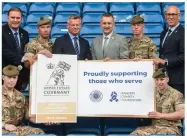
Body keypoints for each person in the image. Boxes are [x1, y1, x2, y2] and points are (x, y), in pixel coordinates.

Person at [131, 68, 184, 136]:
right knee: (136, 133)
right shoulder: (151, 93)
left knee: (160, 135)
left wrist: (161, 115)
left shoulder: (176, 94)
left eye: (162, 79)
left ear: (167, 80)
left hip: (171, 128)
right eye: (157, 80)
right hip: (155, 127)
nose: (159, 82)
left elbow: (182, 114)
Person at [2, 65, 45, 136]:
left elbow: (29, 117)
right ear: (3, 77)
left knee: (39, 132)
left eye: (14, 77)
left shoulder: (21, 96)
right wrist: (4, 126)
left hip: (18, 128)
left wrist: (44, 120)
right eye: (9, 77)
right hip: (3, 129)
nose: (12, 80)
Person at [153, 5, 184, 95]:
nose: (170, 17)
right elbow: (162, 54)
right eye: (168, 14)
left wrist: (165, 61)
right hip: (164, 78)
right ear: (165, 16)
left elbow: (184, 56)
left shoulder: (183, 33)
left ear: (179, 15)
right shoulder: (163, 33)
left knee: (178, 107)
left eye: (173, 14)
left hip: (178, 80)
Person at [2, 8, 30, 90]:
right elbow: (3, 50)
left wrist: (25, 78)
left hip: (20, 79)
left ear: (21, 19)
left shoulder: (25, 34)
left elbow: (26, 52)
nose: (15, 20)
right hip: (5, 76)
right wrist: (22, 58)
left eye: (18, 18)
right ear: (8, 18)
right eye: (12, 17)